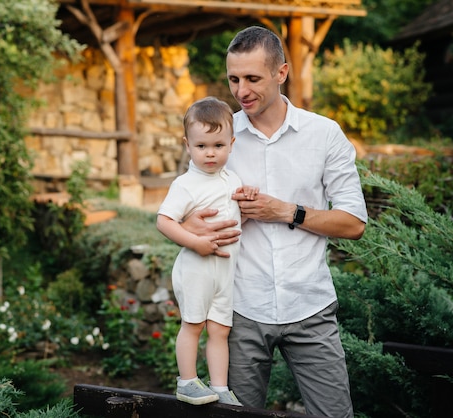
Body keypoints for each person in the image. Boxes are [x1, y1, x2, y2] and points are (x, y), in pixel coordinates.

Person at [180, 26, 368, 417]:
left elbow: (353, 223)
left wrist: (285, 211)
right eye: (233, 79)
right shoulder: (217, 137)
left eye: (252, 78)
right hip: (240, 310)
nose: (241, 91)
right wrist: (206, 223)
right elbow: (184, 221)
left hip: (310, 305)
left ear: (281, 73)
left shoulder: (324, 134)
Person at [156, 96, 258, 406]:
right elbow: (164, 221)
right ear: (187, 145)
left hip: (224, 272)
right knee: (194, 324)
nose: (210, 153)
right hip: (196, 267)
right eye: (201, 146)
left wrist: (249, 197)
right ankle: (187, 381)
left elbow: (241, 214)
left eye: (218, 145)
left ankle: (220, 387)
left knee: (220, 330)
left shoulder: (233, 179)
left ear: (231, 142)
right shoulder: (186, 184)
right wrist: (195, 241)